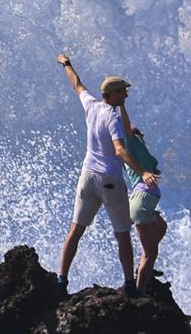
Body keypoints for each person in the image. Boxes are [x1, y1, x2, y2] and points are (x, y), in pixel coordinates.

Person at [54, 54, 159, 293]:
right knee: (122, 234)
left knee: (76, 229)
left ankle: (62, 279)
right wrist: (142, 172)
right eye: (123, 92)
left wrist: (66, 64)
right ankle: (130, 284)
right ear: (112, 95)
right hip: (109, 180)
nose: (126, 94)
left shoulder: (91, 105)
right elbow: (119, 150)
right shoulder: (112, 118)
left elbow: (76, 83)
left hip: (87, 176)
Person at [117, 98, 168, 293]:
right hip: (140, 202)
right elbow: (124, 125)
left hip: (143, 203)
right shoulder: (129, 143)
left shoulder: (138, 148)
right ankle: (139, 292)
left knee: (161, 226)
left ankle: (143, 269)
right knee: (150, 253)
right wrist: (121, 104)